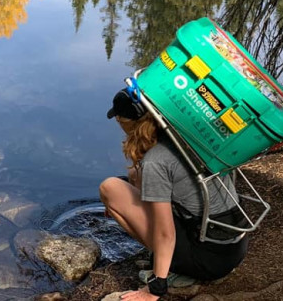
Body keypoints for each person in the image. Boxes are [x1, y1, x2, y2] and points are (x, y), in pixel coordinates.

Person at [99, 90, 249, 300]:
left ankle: (171, 269)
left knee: (110, 188)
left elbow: (166, 233)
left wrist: (155, 288)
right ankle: (173, 260)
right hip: (232, 247)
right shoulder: (186, 135)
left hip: (208, 261)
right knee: (134, 174)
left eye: (119, 119)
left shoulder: (156, 160)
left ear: (127, 122)